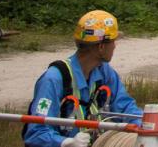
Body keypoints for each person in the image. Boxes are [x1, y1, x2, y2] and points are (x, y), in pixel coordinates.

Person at [23, 10, 142, 147]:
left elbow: (126, 107)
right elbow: (36, 133)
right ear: (101, 47)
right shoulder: (53, 79)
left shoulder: (104, 72)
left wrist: (144, 125)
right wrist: (66, 143)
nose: (115, 46)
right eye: (113, 42)